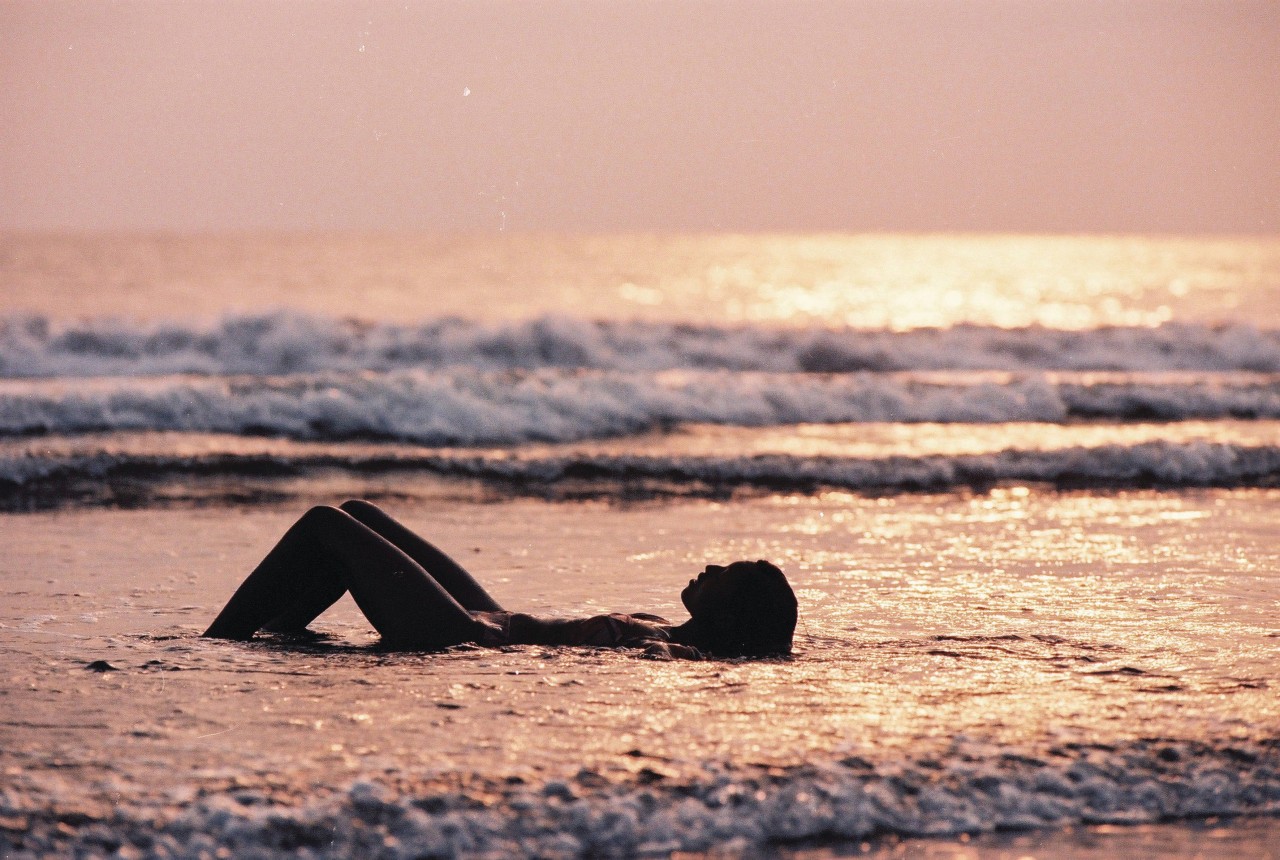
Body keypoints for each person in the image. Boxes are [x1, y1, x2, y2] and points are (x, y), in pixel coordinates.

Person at [203, 500, 797, 660]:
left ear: (732, 613)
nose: (713, 568)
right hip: (495, 617)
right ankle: (277, 633)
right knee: (359, 512)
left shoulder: (668, 647)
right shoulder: (667, 626)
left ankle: (219, 641)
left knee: (324, 525)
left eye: (729, 575)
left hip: (465, 637)